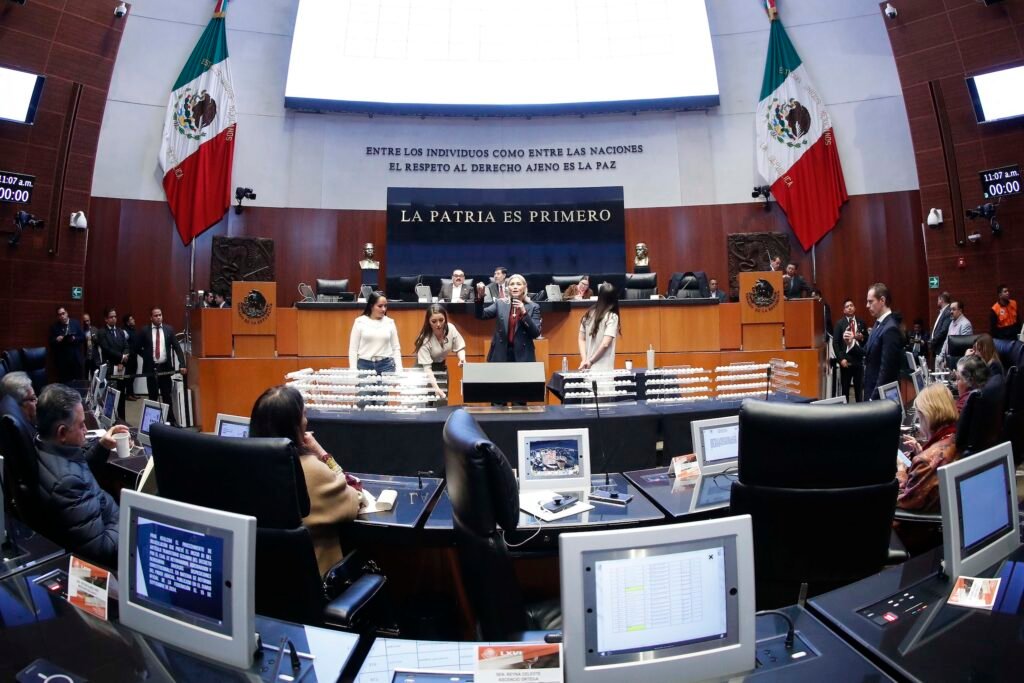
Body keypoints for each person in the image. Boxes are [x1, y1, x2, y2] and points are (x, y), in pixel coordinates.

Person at [250, 385, 362, 577]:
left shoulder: (246, 467)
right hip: (315, 583)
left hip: (261, 583)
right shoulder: (311, 470)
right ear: (294, 426)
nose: (306, 421)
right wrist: (321, 453)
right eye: (303, 415)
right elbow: (355, 493)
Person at [34, 384, 128, 569]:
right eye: (81, 425)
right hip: (111, 555)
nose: (85, 429)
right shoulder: (67, 483)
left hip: (102, 519)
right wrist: (127, 520)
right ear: (62, 432)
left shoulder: (42, 445)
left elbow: (76, 467)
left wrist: (101, 446)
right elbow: (102, 550)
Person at [897, 383, 959, 512]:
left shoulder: (926, 461)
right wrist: (922, 452)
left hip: (912, 521)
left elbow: (906, 501)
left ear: (926, 415)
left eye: (919, 418)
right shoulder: (956, 436)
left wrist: (901, 470)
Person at [134, 307, 187, 422]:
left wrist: (182, 364)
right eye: (156, 315)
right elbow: (136, 347)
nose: (158, 317)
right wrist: (147, 357)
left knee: (167, 396)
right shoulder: (144, 331)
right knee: (153, 397)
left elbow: (177, 348)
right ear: (151, 317)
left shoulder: (169, 329)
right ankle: (152, 423)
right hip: (151, 369)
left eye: (160, 315)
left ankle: (171, 421)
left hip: (165, 368)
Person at [852, 283, 902, 401]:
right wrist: (850, 344)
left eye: (870, 302)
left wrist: (873, 398)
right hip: (871, 390)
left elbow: (886, 371)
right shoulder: (878, 323)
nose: (867, 305)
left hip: (880, 397)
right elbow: (867, 352)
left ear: (882, 300)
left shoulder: (890, 328)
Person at [475, 274, 542, 362]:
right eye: (512, 284)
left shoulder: (533, 307)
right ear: (508, 288)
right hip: (500, 353)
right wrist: (480, 298)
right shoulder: (500, 303)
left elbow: (536, 333)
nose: (515, 287)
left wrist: (524, 312)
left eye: (518, 284)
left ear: (524, 287)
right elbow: (481, 315)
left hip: (523, 354)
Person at [413, 304, 466, 400]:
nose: (438, 324)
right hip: (423, 370)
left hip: (441, 367)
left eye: (441, 320)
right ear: (428, 322)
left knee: (442, 402)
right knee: (424, 402)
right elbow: (427, 369)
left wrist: (462, 359)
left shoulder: (451, 328)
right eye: (434, 321)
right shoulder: (424, 339)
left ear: (445, 319)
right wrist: (436, 388)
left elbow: (460, 347)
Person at [349, 291, 402, 373]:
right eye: (380, 306)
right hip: (364, 365)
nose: (383, 309)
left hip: (386, 365)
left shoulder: (390, 322)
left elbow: (396, 348)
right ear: (371, 306)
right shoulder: (359, 322)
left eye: (385, 306)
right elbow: (353, 349)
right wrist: (353, 369)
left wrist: (399, 369)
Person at [578, 283, 621, 371]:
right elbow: (605, 344)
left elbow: (581, 339)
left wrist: (584, 359)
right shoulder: (612, 317)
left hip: (587, 369)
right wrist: (591, 361)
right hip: (603, 370)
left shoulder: (588, 314)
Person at [98, 307, 130, 418]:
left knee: (121, 395)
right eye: (111, 317)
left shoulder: (120, 331)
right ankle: (109, 420)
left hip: (121, 368)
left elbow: (126, 346)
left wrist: (123, 360)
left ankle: (122, 419)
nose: (114, 319)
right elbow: (107, 349)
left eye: (115, 316)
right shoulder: (102, 332)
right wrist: (121, 357)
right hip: (110, 368)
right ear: (106, 319)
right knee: (111, 396)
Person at [834, 299, 867, 402]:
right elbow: (836, 343)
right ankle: (845, 410)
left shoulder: (861, 322)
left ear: (854, 308)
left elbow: (866, 339)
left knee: (859, 390)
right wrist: (841, 359)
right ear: (844, 310)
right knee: (845, 390)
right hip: (846, 361)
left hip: (858, 360)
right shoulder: (840, 324)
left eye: (851, 305)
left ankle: (860, 409)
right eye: (847, 306)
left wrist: (861, 337)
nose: (849, 308)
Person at [49, 305, 84, 383]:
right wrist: (57, 339)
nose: (62, 316)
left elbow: (82, 337)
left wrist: (74, 338)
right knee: (65, 385)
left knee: (78, 383)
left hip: (76, 359)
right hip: (63, 361)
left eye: (63, 313)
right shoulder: (55, 327)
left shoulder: (75, 323)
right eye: (60, 315)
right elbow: (51, 342)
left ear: (67, 313)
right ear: (58, 317)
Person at [929, 291, 953, 362]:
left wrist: (933, 341)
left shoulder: (948, 311)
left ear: (941, 300)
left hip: (941, 346)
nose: (937, 301)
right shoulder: (943, 311)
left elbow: (944, 330)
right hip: (937, 346)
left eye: (938, 299)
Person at [121, 313, 139, 398]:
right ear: (127, 322)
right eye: (131, 319)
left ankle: (131, 393)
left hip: (134, 356)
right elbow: (123, 345)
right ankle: (128, 394)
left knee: (133, 375)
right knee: (128, 376)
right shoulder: (124, 331)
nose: (134, 320)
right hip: (128, 358)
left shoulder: (133, 330)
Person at [82, 313, 100, 378]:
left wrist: (94, 338)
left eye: (88, 321)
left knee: (95, 377)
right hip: (85, 358)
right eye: (84, 321)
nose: (86, 323)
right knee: (85, 377)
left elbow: (100, 342)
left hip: (94, 358)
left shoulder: (95, 329)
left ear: (90, 320)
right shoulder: (81, 331)